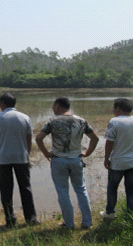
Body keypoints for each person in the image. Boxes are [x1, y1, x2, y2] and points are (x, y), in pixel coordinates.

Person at [35, 97, 99, 229]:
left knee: (63, 192)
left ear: (57, 106)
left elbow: (38, 138)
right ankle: (87, 223)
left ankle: (69, 224)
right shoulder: (81, 120)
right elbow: (95, 138)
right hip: (76, 159)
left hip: (59, 160)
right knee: (81, 190)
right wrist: (87, 153)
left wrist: (46, 153)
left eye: (53, 106)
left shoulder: (52, 121)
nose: (53, 108)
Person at [0, 93, 39, 228]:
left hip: (3, 159)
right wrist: (27, 154)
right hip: (21, 157)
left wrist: (3, 131)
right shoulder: (25, 117)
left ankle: (10, 220)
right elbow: (29, 138)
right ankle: (31, 218)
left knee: (6, 190)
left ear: (3, 104)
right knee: (25, 188)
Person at [101, 98, 133, 219]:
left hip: (118, 163)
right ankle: (131, 214)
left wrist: (106, 159)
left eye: (114, 108)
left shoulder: (114, 121)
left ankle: (110, 212)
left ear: (118, 108)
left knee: (112, 187)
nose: (113, 111)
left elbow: (109, 142)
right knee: (131, 189)